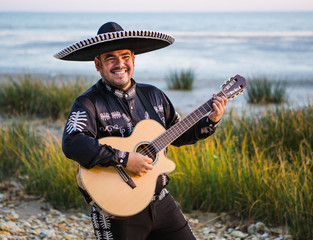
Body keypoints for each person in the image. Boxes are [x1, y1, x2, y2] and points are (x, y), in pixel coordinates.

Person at [55, 22, 228, 240]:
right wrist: (124, 158)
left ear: (134, 59)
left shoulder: (154, 95)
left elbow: (178, 134)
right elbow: (73, 142)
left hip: (161, 202)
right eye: (111, 58)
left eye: (125, 57)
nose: (120, 64)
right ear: (98, 64)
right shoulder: (88, 103)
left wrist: (211, 121)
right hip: (117, 209)